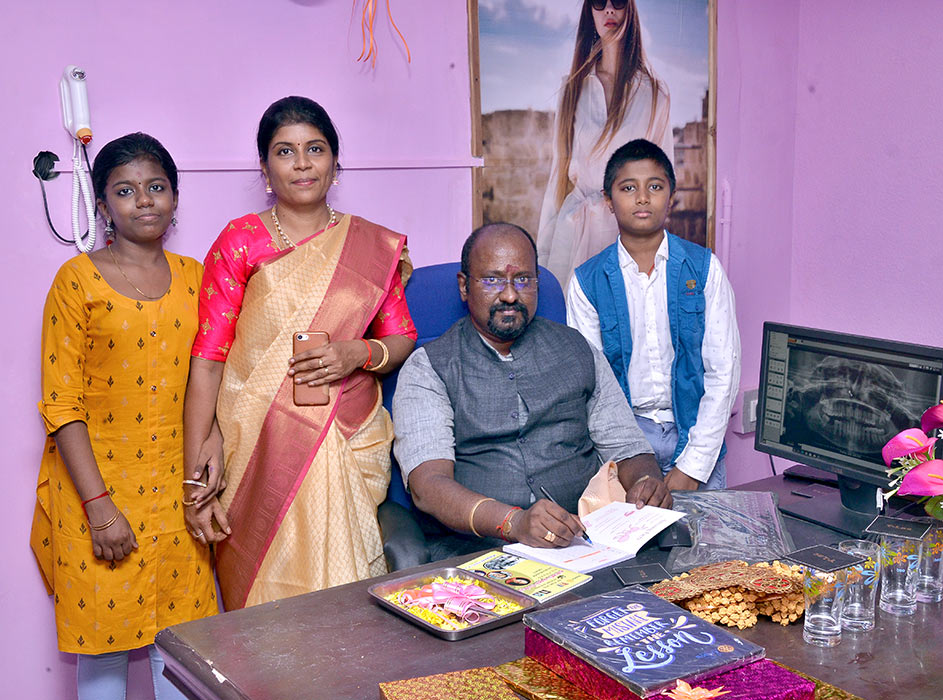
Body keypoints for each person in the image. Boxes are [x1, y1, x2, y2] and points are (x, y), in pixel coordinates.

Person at [183, 96, 417, 610]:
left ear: (335, 161)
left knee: (343, 589)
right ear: (265, 168)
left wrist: (357, 352)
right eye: (285, 151)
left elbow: (401, 337)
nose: (302, 163)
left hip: (347, 432)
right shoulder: (240, 241)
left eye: (315, 148)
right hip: (256, 443)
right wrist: (197, 465)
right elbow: (209, 357)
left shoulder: (371, 244)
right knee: (267, 600)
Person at [30, 133, 218, 700]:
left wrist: (213, 445)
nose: (144, 201)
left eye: (156, 187)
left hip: (178, 493)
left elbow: (214, 376)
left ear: (175, 197)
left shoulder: (197, 277)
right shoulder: (75, 280)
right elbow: (61, 404)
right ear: (103, 204)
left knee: (181, 649)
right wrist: (99, 507)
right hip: (97, 490)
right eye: (126, 191)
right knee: (103, 648)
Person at [391, 222, 671, 561]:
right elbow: (429, 486)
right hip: (474, 552)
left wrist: (646, 480)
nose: (510, 295)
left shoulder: (578, 350)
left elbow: (627, 447)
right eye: (492, 280)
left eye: (523, 279)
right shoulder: (430, 367)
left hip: (585, 541)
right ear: (464, 286)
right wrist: (514, 522)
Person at [566, 139, 740, 491]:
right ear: (608, 200)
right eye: (629, 188)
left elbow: (724, 372)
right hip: (623, 442)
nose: (643, 198)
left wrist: (693, 467)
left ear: (671, 197)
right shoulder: (586, 283)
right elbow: (592, 387)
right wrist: (630, 462)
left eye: (655, 187)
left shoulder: (705, 269)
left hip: (696, 435)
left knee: (704, 529)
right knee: (633, 527)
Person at [537, 0, 674, 290]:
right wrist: (542, 259)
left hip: (627, 234)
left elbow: (661, 185)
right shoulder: (572, 88)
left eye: (618, 1)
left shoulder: (655, 94)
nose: (609, 10)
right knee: (569, 315)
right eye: (599, 2)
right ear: (590, 11)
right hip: (572, 234)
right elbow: (557, 178)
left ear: (630, 10)